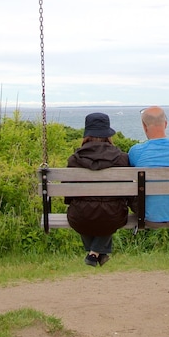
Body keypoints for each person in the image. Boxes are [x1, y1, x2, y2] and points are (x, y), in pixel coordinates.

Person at [65, 112, 133, 266]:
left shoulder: (74, 159)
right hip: (114, 216)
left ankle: (94, 253)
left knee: (86, 214)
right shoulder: (122, 158)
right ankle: (96, 253)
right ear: (108, 135)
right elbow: (129, 193)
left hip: (80, 217)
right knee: (108, 215)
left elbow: (68, 196)